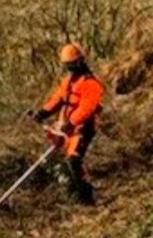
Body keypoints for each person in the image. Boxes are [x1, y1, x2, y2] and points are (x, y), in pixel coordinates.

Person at [33, 43, 104, 205]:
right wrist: (43, 112)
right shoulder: (68, 81)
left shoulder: (91, 84)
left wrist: (71, 123)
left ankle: (86, 198)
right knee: (62, 161)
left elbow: (87, 108)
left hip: (82, 128)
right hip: (65, 127)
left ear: (80, 62)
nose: (70, 68)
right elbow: (58, 98)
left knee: (74, 160)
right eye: (67, 65)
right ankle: (73, 192)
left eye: (72, 64)